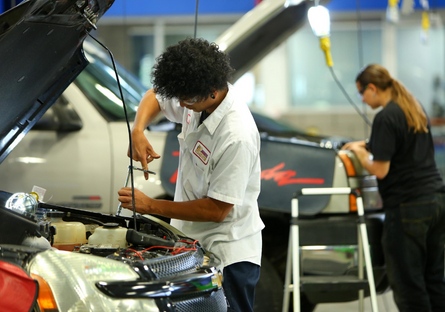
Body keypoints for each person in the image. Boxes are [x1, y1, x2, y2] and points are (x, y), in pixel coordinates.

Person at [117, 38, 264, 312]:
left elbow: (218, 209)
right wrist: (138, 130)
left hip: (228, 252)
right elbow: (156, 97)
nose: (182, 105)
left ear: (211, 91)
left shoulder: (236, 136)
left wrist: (150, 206)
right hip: (192, 244)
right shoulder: (198, 98)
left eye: (187, 100)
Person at [343, 64, 445, 312]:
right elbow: (394, 143)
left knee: (408, 286)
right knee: (434, 281)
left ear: (372, 88)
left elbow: (380, 169)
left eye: (361, 94)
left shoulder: (385, 116)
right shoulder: (413, 108)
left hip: (408, 208)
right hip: (436, 203)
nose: (363, 100)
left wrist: (358, 153)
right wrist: (362, 144)